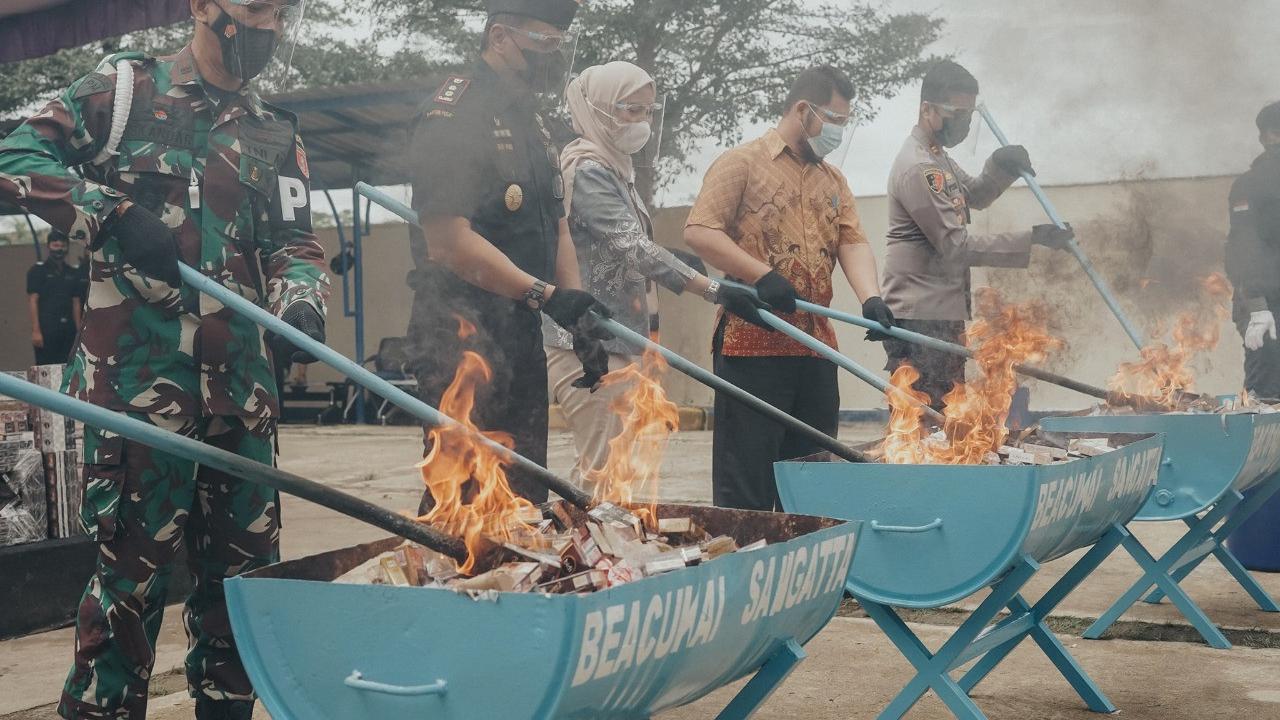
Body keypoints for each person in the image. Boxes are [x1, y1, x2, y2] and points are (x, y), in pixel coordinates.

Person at [0, 1, 328, 718]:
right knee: (127, 592)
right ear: (206, 6)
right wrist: (112, 213)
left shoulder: (276, 131)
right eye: (254, 8)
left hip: (242, 401)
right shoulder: (121, 94)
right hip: (138, 398)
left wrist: (301, 297)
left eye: (280, 10)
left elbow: (295, 243)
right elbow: (15, 156)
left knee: (244, 598)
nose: (268, 25)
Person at [406, 0, 614, 510]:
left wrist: (574, 308)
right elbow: (447, 239)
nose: (554, 57)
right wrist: (544, 295)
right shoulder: (454, 114)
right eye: (544, 44)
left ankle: (522, 588)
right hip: (461, 335)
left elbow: (556, 225)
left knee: (523, 491)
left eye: (560, 47)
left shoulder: (536, 124)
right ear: (500, 37)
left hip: (520, 330)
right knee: (464, 494)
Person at [544, 61, 765, 489]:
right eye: (630, 110)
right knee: (602, 471)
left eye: (647, 111)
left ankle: (612, 548)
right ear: (600, 109)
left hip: (622, 339)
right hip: (588, 345)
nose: (641, 122)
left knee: (619, 470)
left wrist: (677, 261)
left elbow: (622, 244)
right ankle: (594, 551)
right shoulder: (588, 169)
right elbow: (632, 246)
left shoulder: (615, 170)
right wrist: (713, 289)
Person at [684, 65, 895, 512]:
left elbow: (852, 242)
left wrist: (870, 298)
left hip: (816, 346)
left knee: (812, 478)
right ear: (804, 110)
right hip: (752, 346)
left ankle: (805, 567)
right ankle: (747, 568)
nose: (837, 132)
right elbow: (700, 231)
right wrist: (760, 274)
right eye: (834, 121)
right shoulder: (740, 162)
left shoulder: (834, 180)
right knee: (748, 483)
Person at [880, 60, 1074, 409]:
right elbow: (955, 247)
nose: (965, 122)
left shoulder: (939, 159)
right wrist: (1033, 238)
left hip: (939, 311)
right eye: (957, 112)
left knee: (947, 411)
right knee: (926, 417)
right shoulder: (919, 167)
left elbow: (975, 195)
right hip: (920, 314)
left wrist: (1001, 166)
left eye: (969, 114)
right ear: (927, 109)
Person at [1225, 101, 1280, 399]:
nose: (1276, 139)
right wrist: (1258, 309)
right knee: (1270, 390)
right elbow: (1242, 249)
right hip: (1266, 303)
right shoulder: (1250, 186)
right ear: (1263, 138)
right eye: (1273, 133)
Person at [27, 230, 84, 365]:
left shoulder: (73, 272)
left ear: (67, 247)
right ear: (48, 246)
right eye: (56, 246)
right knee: (46, 369)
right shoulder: (37, 271)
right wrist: (36, 331)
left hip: (68, 331)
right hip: (46, 330)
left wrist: (78, 332)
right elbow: (32, 300)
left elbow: (76, 303)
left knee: (68, 367)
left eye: (63, 246)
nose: (59, 249)